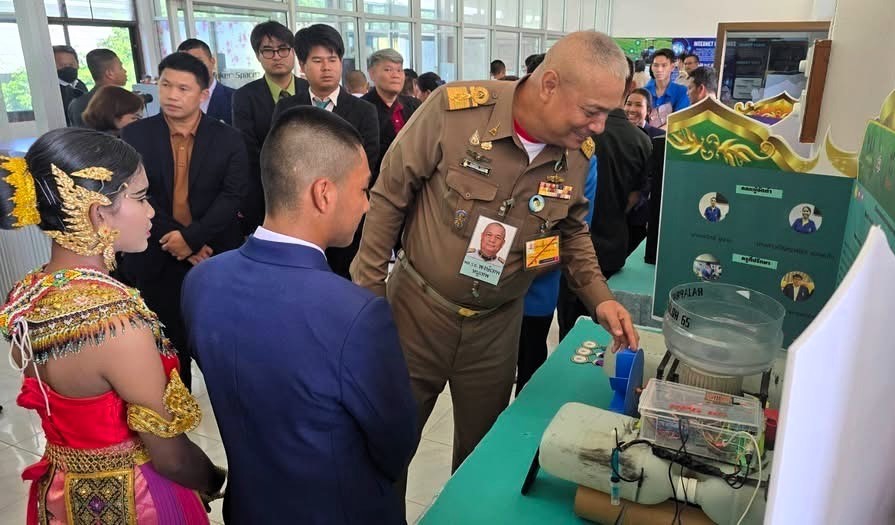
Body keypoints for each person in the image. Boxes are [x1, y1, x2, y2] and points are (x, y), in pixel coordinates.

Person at [352, 31, 640, 476]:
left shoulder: (578, 152)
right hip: (416, 313)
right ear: (549, 85)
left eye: (608, 113)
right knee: (388, 447)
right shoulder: (454, 111)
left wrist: (600, 298)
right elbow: (389, 197)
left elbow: (571, 231)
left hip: (497, 326)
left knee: (480, 457)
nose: (600, 127)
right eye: (592, 111)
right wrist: (369, 297)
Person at [182, 106, 416, 524]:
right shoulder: (356, 314)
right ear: (324, 193)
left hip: (249, 508)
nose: (367, 205)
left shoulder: (202, 281)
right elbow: (395, 443)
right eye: (364, 189)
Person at [0, 128, 225, 523]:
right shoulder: (116, 324)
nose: (152, 211)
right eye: (140, 197)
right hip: (133, 501)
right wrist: (213, 478)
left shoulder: (26, 294)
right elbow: (171, 459)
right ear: (97, 212)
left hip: (59, 493)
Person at [119, 52, 248, 391]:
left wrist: (192, 238)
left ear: (203, 94)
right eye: (166, 85)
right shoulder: (134, 136)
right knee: (168, 354)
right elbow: (136, 195)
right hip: (154, 254)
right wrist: (179, 239)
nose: (172, 95)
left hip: (212, 256)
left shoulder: (228, 138)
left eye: (183, 88)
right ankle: (178, 417)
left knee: (222, 351)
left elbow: (233, 196)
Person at [272, 24, 379, 279]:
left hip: (345, 218)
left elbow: (369, 161)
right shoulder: (287, 108)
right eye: (317, 60)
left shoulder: (364, 111)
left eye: (332, 59)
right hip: (298, 218)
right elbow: (280, 158)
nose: (326, 67)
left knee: (344, 282)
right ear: (302, 65)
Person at [556, 56, 651, 339]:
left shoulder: (576, 134)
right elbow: (636, 198)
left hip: (569, 249)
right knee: (606, 330)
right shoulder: (642, 141)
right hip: (613, 243)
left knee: (570, 330)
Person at [517, 154, 597, 395]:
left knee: (529, 384)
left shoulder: (581, 160)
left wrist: (510, 266)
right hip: (481, 292)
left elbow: (570, 238)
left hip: (534, 297)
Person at [232, 21, 309, 235]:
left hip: (309, 190)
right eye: (268, 50)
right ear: (258, 55)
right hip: (264, 194)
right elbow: (248, 147)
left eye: (283, 49)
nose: (276, 56)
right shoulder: (244, 97)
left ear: (293, 52)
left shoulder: (310, 89)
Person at [362, 49, 421, 186]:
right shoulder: (362, 108)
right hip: (377, 185)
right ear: (372, 74)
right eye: (388, 70)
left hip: (413, 184)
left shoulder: (415, 105)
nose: (396, 75)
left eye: (399, 70)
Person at [623, 88, 663, 257]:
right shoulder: (617, 134)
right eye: (628, 104)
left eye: (638, 105)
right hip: (614, 212)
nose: (631, 109)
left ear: (649, 111)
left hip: (641, 216)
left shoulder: (660, 138)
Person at [177, 38, 235, 125]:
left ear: (212, 62)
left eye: (198, 62)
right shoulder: (172, 102)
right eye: (184, 64)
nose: (192, 68)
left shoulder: (235, 99)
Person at [68, 48, 129, 127]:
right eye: (120, 67)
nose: (125, 71)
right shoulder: (121, 103)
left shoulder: (75, 105)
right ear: (110, 73)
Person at [644, 48, 689, 128]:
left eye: (664, 65)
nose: (659, 69)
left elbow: (679, 121)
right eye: (656, 65)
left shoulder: (682, 92)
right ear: (651, 67)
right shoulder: (644, 91)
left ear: (672, 67)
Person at [53, 45, 88, 126]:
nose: (68, 68)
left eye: (71, 65)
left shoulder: (80, 85)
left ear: (77, 64)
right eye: (62, 65)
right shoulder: (51, 90)